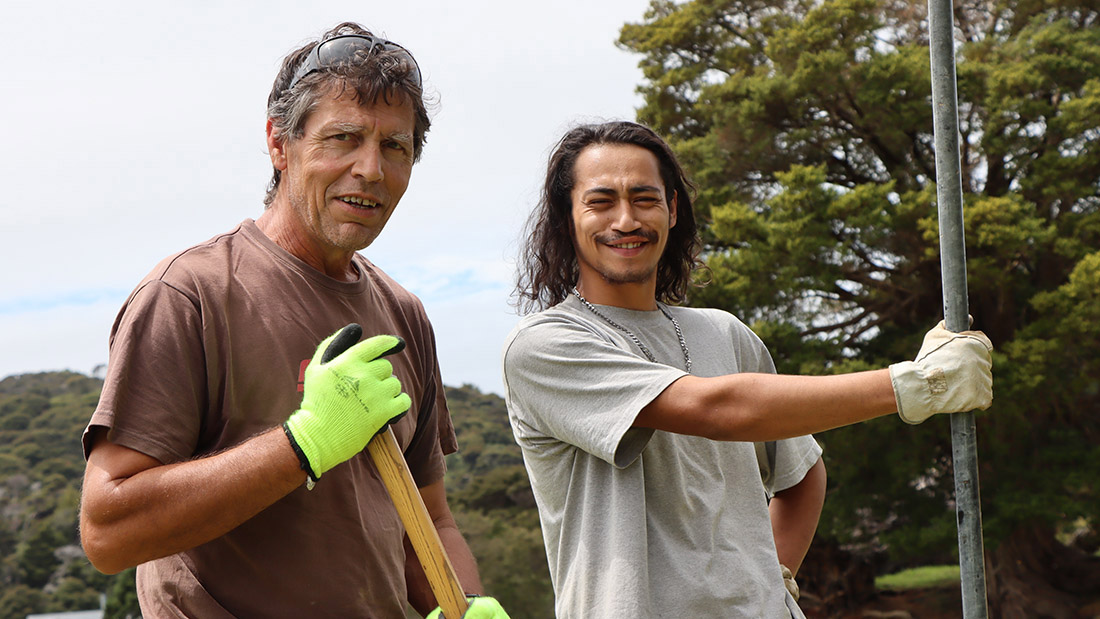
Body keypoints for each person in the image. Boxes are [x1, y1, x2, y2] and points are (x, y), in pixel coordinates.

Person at [80, 22, 508, 618]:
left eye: (395, 147)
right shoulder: (189, 294)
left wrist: (464, 604)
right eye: (343, 138)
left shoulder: (403, 314)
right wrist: (303, 444)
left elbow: (428, 517)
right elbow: (108, 531)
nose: (371, 170)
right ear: (280, 144)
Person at [502, 120, 993, 618]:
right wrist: (920, 383)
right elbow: (716, 408)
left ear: (672, 210)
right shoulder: (546, 346)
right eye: (601, 201)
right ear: (567, 218)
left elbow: (802, 473)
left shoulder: (725, 334)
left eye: (645, 198)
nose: (626, 220)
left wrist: (769, 584)